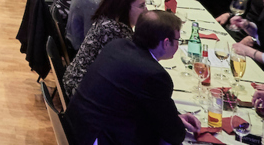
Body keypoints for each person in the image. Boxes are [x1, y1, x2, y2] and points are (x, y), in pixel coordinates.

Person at [65, 10, 200, 145]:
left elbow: (150, 107)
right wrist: (175, 124)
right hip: (96, 138)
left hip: (76, 126)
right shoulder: (154, 75)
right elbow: (174, 135)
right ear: (165, 43)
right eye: (178, 40)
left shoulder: (117, 45)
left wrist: (173, 119)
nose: (178, 44)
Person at [63, 0, 146, 99]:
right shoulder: (117, 32)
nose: (146, 10)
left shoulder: (107, 19)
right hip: (81, 91)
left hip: (75, 80)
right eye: (141, 6)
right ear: (124, 8)